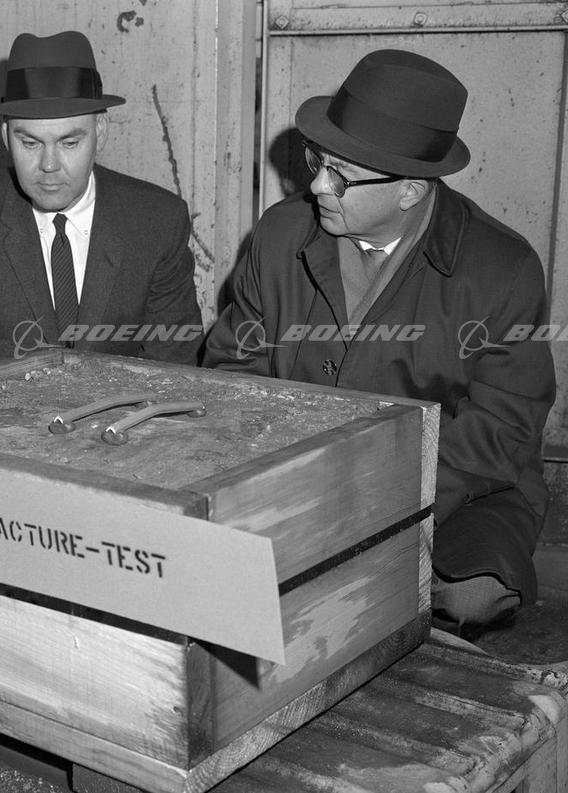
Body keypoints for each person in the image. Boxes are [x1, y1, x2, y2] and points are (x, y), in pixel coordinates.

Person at [204, 49, 554, 633]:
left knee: (471, 596)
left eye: (340, 175)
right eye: (316, 160)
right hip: (297, 471)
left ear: (410, 191)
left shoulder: (503, 268)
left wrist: (379, 501)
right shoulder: (279, 233)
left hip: (453, 487)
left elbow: (503, 426)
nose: (317, 184)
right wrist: (284, 479)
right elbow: (232, 366)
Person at [0, 30, 203, 368]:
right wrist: (54, 365)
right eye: (30, 143)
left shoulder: (158, 221)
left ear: (100, 131)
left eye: (69, 143)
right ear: (5, 136)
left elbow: (175, 360)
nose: (48, 165)